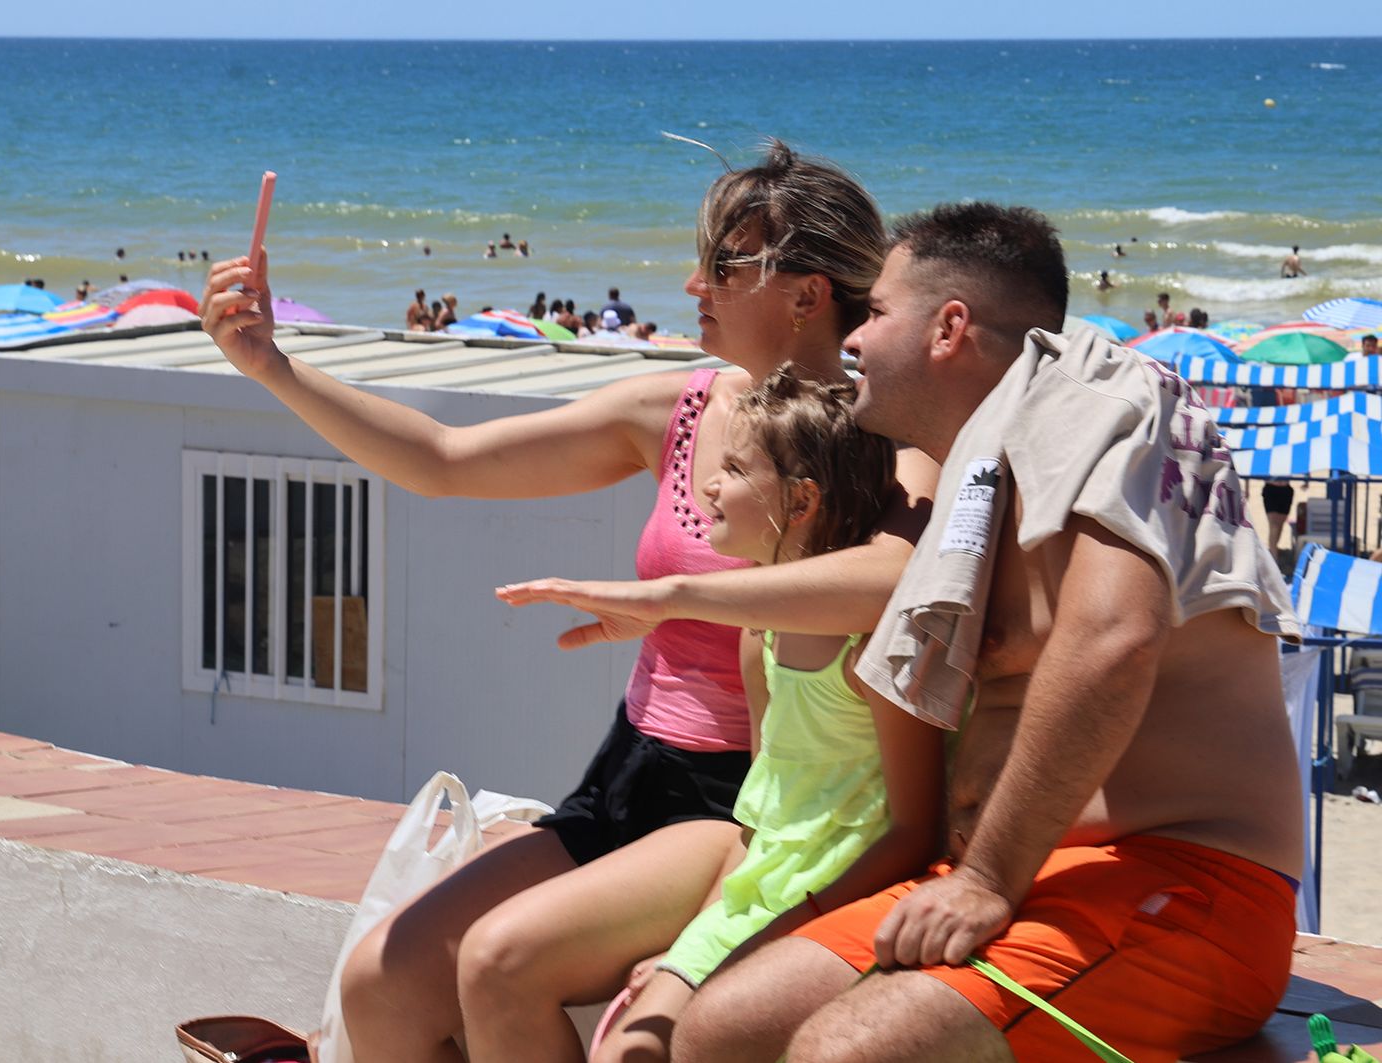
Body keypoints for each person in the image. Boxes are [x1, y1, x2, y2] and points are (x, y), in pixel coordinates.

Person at [199, 139, 936, 1063]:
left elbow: (902, 577)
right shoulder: (678, 407)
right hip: (630, 771)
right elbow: (443, 459)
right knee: (379, 980)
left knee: (501, 964)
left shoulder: (890, 440)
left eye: (721, 264)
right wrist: (274, 367)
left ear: (806, 293)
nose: (690, 281)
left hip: (746, 798)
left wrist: (672, 597)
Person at [671, 203, 1303, 1063]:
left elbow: (1116, 639)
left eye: (878, 312)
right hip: (1005, 879)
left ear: (951, 326)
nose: (854, 336)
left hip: (1180, 886)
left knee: (845, 1053)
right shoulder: (984, 474)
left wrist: (984, 879)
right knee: (716, 1030)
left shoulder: (1109, 409)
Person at [590, 367, 945, 1063]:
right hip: (763, 895)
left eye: (733, 468)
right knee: (624, 1047)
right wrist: (694, 938)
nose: (708, 486)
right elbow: (761, 819)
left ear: (802, 498)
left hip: (843, 893)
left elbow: (914, 829)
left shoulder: (867, 645)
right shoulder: (762, 634)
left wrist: (774, 933)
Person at [1263, 480, 1294, 554]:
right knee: (1274, 525)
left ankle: (1273, 552)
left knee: (1280, 525)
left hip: (1286, 489)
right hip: (1271, 488)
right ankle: (1274, 557)